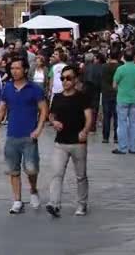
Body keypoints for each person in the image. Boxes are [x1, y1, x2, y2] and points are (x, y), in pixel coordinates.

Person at [0, 56, 48, 214]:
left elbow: (43, 109)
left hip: (29, 135)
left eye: (17, 68)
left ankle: (34, 190)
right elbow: (1, 109)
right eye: (12, 68)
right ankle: (17, 200)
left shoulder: (35, 89)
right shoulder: (7, 88)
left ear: (25, 70)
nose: (14, 71)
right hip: (12, 134)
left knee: (31, 169)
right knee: (13, 170)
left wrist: (39, 128)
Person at [46, 66, 92, 218]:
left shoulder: (82, 97)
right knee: (56, 174)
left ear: (75, 79)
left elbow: (89, 117)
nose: (65, 81)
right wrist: (54, 122)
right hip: (61, 142)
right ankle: (54, 203)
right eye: (62, 78)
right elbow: (51, 115)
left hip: (78, 142)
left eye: (68, 78)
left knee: (80, 176)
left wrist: (85, 131)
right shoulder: (58, 97)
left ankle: (81, 204)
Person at [112, 50, 135, 155]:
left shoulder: (120, 69)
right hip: (134, 98)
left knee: (122, 123)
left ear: (124, 58)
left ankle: (122, 148)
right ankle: (133, 147)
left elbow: (114, 85)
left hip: (122, 98)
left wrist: (121, 89)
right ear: (134, 57)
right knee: (133, 123)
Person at [101, 51, 121, 144]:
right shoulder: (120, 67)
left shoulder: (104, 67)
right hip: (117, 93)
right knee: (117, 116)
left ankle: (105, 137)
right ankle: (116, 137)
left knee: (106, 116)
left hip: (106, 93)